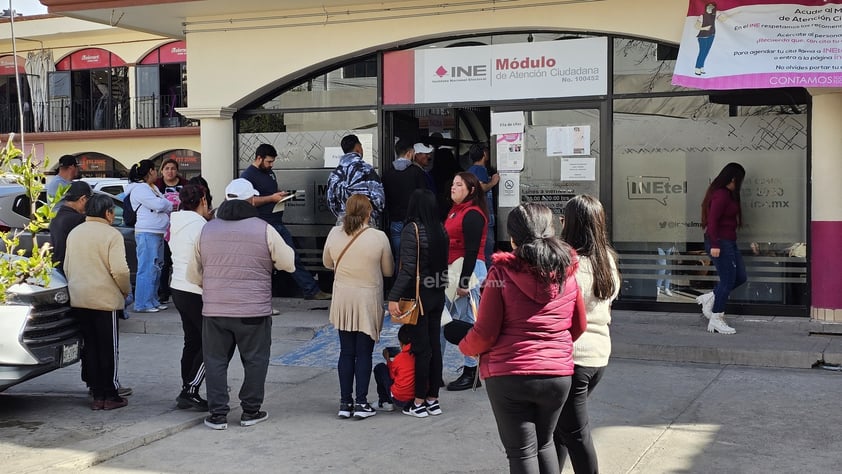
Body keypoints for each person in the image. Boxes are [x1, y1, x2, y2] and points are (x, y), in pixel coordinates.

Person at [457, 203, 586, 473]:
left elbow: (485, 333)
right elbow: (577, 326)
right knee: (545, 444)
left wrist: (465, 345)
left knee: (522, 452)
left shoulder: (501, 274)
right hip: (557, 375)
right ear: (551, 231)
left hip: (510, 373)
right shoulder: (568, 273)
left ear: (513, 237)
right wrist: (553, 348)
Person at [186, 178, 296, 430]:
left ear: (226, 198)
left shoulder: (206, 229)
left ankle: (217, 415)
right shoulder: (264, 229)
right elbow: (288, 263)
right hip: (253, 310)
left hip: (215, 310)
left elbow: (193, 275)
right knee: (256, 360)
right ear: (250, 200)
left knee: (215, 361)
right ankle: (250, 411)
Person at [556, 194, 621, 474]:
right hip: (598, 355)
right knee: (559, 428)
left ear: (569, 223)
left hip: (575, 358)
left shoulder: (571, 264)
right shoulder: (606, 258)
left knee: (574, 433)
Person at [322, 194, 394, 419]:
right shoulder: (378, 237)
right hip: (367, 299)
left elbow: (326, 262)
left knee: (346, 351)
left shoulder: (334, 233)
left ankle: (345, 403)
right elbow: (389, 270)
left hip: (343, 298)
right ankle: (361, 402)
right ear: (368, 213)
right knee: (364, 353)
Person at [64, 194, 132, 411]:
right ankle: (110, 394)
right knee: (108, 348)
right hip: (104, 300)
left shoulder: (75, 233)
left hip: (79, 298)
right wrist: (125, 291)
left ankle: (96, 392)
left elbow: (66, 266)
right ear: (108, 213)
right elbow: (120, 270)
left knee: (90, 347)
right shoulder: (111, 235)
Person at [241, 143, 331, 300]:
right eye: (269, 162)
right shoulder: (247, 176)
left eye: (272, 162)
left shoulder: (269, 172)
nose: (271, 165)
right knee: (274, 260)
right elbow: (247, 201)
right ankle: (308, 290)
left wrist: (279, 195)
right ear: (259, 158)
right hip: (263, 224)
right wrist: (271, 198)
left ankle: (310, 290)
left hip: (276, 221)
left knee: (291, 257)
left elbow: (269, 192)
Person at [387, 189, 449, 417]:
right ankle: (433, 399)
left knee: (421, 350)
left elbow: (407, 269)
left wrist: (393, 296)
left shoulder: (411, 230)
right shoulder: (441, 229)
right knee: (435, 346)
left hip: (418, 297)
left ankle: (419, 402)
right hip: (437, 294)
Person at [169, 184, 213, 411]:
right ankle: (191, 390)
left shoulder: (175, 223)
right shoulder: (201, 226)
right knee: (212, 343)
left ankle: (187, 386)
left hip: (178, 287)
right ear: (203, 200)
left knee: (192, 341)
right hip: (196, 289)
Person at [444, 172, 488, 392]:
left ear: (471, 190)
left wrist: (463, 283)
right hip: (453, 271)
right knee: (450, 319)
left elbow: (471, 251)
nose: (453, 187)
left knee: (468, 320)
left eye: (459, 184)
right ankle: (460, 368)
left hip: (468, 271)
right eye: (453, 183)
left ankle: (472, 372)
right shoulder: (455, 211)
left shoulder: (472, 214)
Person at [696, 162, 746, 335]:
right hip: (720, 242)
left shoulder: (729, 195)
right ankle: (717, 318)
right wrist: (715, 245)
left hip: (729, 241)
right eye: (739, 180)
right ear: (733, 178)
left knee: (740, 277)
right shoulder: (721, 195)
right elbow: (712, 222)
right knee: (727, 280)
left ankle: (710, 297)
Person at [126, 159, 173, 313]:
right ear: (149, 172)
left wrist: (164, 204)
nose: (156, 173)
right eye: (154, 170)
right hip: (147, 232)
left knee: (156, 268)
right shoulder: (140, 189)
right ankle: (142, 303)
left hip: (157, 232)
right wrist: (164, 204)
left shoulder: (151, 187)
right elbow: (161, 205)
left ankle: (152, 300)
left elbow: (165, 204)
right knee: (146, 268)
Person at [382, 139, 427, 259]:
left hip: (395, 220)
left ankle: (398, 277)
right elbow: (424, 197)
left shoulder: (387, 173)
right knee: (414, 257)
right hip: (414, 222)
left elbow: (384, 198)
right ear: (410, 153)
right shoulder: (417, 172)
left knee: (398, 256)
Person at [326, 134, 385, 222]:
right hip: (364, 223)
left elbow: (331, 202)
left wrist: (342, 216)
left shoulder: (334, 174)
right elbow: (379, 200)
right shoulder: (366, 170)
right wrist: (371, 217)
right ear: (358, 147)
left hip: (343, 223)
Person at [155, 158, 188, 304]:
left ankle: (180, 290)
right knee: (165, 262)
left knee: (180, 261)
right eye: (167, 168)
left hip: (182, 228)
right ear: (162, 170)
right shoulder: (156, 186)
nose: (170, 171)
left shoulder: (186, 185)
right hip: (163, 229)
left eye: (173, 168)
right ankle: (163, 292)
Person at [49, 181, 91, 275]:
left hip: (57, 268)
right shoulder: (78, 220)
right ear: (83, 199)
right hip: (72, 270)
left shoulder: (56, 216)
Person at [466, 143, 500, 263]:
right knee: (488, 247)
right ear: (484, 154)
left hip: (478, 215)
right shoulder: (479, 169)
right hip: (485, 216)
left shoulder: (471, 170)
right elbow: (481, 187)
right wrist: (493, 182)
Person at [372, 324, 415, 412]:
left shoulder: (399, 358)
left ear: (401, 342)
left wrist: (388, 359)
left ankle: (385, 402)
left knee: (380, 368)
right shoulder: (421, 355)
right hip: (416, 396)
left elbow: (392, 376)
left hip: (399, 398)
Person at [693, 2, 729, 76]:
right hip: (703, 36)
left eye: (712, 6)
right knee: (702, 52)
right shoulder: (702, 16)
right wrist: (704, 28)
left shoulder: (714, 14)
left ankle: (701, 67)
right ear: (706, 7)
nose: (710, 7)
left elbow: (723, 19)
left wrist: (723, 15)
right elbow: (696, 26)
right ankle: (697, 68)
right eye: (709, 6)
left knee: (706, 52)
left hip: (712, 35)